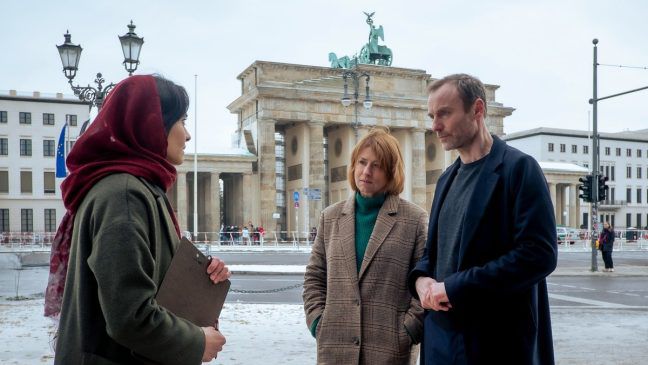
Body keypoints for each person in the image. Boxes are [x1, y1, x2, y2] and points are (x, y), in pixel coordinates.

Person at [44, 75, 231, 364]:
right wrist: (196, 341)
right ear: (151, 124)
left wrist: (200, 280)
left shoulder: (134, 188)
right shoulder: (125, 194)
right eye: (181, 120)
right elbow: (129, 316)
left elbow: (147, 282)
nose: (188, 135)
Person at [408, 74, 557, 364]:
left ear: (477, 110)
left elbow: (539, 255)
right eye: (432, 116)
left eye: (444, 114)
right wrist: (421, 279)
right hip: (443, 344)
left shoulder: (519, 169)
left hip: (497, 343)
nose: (435, 126)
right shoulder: (446, 180)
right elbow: (433, 253)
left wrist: (455, 287)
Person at [303, 128, 428, 365]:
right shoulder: (330, 217)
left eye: (377, 165)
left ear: (391, 172)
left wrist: (409, 330)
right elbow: (314, 276)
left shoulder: (414, 220)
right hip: (335, 347)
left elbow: (424, 281)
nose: (366, 172)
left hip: (389, 350)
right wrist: (318, 321)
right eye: (362, 162)